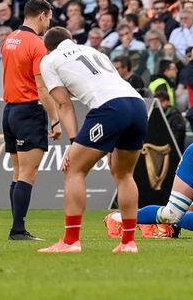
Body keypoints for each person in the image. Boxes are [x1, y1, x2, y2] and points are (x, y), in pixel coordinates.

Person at [37, 27, 149, 254]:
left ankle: (70, 242)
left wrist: (73, 142)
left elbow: (64, 104)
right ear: (72, 41)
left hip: (110, 107)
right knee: (124, 174)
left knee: (74, 170)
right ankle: (128, 242)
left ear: (47, 47)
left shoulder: (49, 60)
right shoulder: (94, 51)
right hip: (137, 104)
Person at [1, 0, 59, 241]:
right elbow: (42, 88)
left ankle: (17, 228)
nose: (49, 24)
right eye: (49, 18)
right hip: (29, 111)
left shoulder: (9, 39)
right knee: (28, 173)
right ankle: (18, 230)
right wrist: (55, 119)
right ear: (43, 15)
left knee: (17, 173)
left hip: (9, 111)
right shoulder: (37, 44)